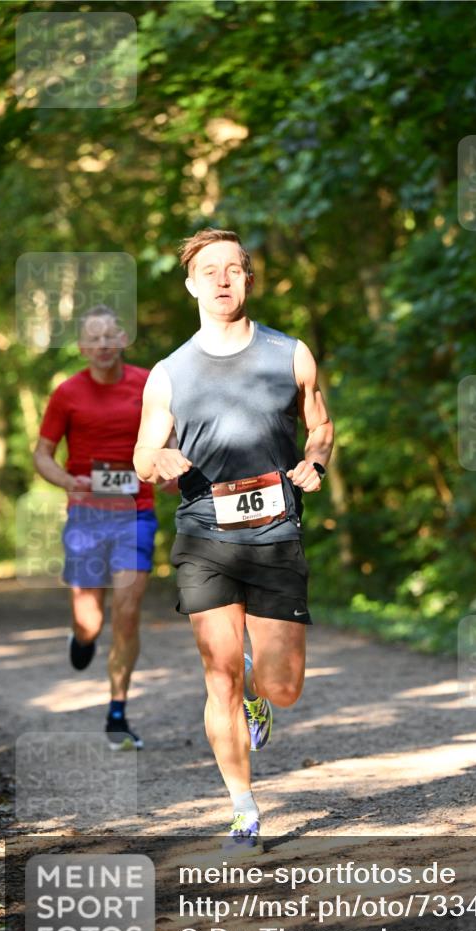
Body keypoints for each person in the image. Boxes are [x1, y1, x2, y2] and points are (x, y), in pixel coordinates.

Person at [133, 228, 334, 852]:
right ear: (192, 284)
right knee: (216, 672)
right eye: (210, 271)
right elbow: (142, 452)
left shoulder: (290, 354)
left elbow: (320, 424)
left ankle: (258, 691)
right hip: (204, 533)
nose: (223, 280)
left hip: (275, 534)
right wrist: (158, 459)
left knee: (284, 686)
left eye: (234, 270)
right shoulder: (168, 373)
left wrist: (316, 462)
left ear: (248, 279)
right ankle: (243, 811)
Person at [33, 305, 161, 750]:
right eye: (94, 338)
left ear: (123, 338)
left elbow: (172, 438)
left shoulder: (147, 384)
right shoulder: (67, 393)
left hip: (136, 512)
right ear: (83, 346)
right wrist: (69, 480)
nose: (103, 345)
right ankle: (82, 634)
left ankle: (118, 713)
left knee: (127, 613)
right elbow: (42, 455)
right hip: (87, 515)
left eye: (111, 336)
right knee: (91, 621)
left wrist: (165, 466)